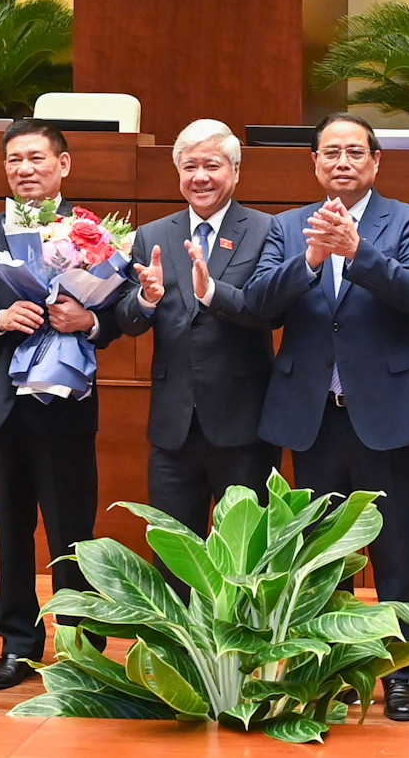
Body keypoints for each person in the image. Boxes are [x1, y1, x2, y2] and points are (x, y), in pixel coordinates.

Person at [224, 113, 409, 722]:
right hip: (314, 415)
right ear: (315, 163)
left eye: (354, 152)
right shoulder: (287, 227)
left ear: (375, 162)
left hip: (389, 415)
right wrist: (312, 260)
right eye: (330, 153)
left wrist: (359, 253)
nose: (341, 163)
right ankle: (336, 670)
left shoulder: (408, 222)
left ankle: (400, 673)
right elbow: (261, 306)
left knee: (395, 548)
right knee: (323, 555)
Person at [0, 118, 124, 690]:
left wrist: (91, 319)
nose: (24, 170)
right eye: (14, 161)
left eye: (35, 159)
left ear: (64, 165)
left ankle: (82, 648)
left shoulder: (95, 234)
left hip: (65, 406)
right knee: (10, 530)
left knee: (71, 532)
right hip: (1, 406)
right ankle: (17, 645)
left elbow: (123, 311)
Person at [111, 120, 277, 541]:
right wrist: (146, 297)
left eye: (212, 165)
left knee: (245, 557)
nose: (199, 177)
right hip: (173, 427)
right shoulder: (151, 234)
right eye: (189, 167)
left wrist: (212, 293)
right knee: (173, 553)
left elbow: (270, 311)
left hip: (243, 423)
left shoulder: (265, 230)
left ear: (235, 171)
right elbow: (126, 321)